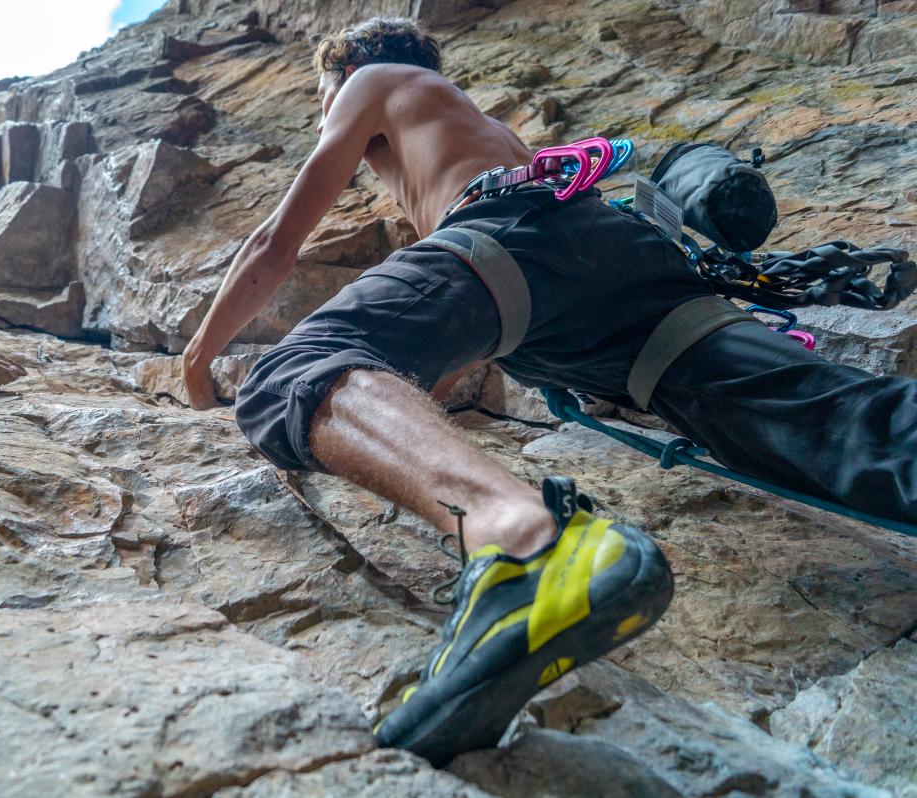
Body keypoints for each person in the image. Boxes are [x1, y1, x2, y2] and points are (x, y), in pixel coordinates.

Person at [180, 17, 917, 766]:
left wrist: (198, 363)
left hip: (510, 243)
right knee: (851, 426)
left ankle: (526, 545)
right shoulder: (482, 128)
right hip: (627, 267)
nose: (322, 114)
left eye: (320, 97)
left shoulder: (372, 82)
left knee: (290, 373)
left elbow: (276, 244)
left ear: (346, 72)